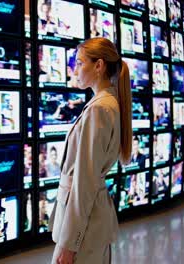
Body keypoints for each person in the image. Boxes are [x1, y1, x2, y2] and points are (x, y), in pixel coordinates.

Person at [49, 37, 132, 264]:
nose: (75, 69)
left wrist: (69, 244)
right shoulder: (107, 103)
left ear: (98, 66)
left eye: (79, 63)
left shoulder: (100, 109)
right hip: (90, 223)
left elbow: (84, 183)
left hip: (83, 230)